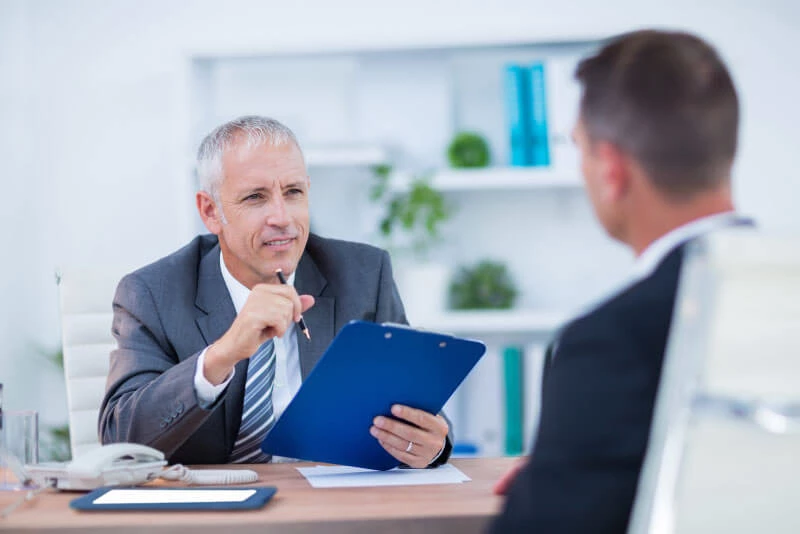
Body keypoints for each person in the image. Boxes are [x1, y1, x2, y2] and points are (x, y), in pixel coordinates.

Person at [490, 30, 748, 532]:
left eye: (581, 150)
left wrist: (551, 482)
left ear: (610, 169)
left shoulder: (611, 342)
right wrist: (570, 464)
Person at [100, 116, 451, 467]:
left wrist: (431, 445)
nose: (281, 217)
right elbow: (122, 439)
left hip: (332, 504)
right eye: (256, 197)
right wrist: (222, 354)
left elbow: (416, 404)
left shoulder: (363, 274)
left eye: (293, 192)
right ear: (211, 211)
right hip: (214, 512)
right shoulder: (151, 293)